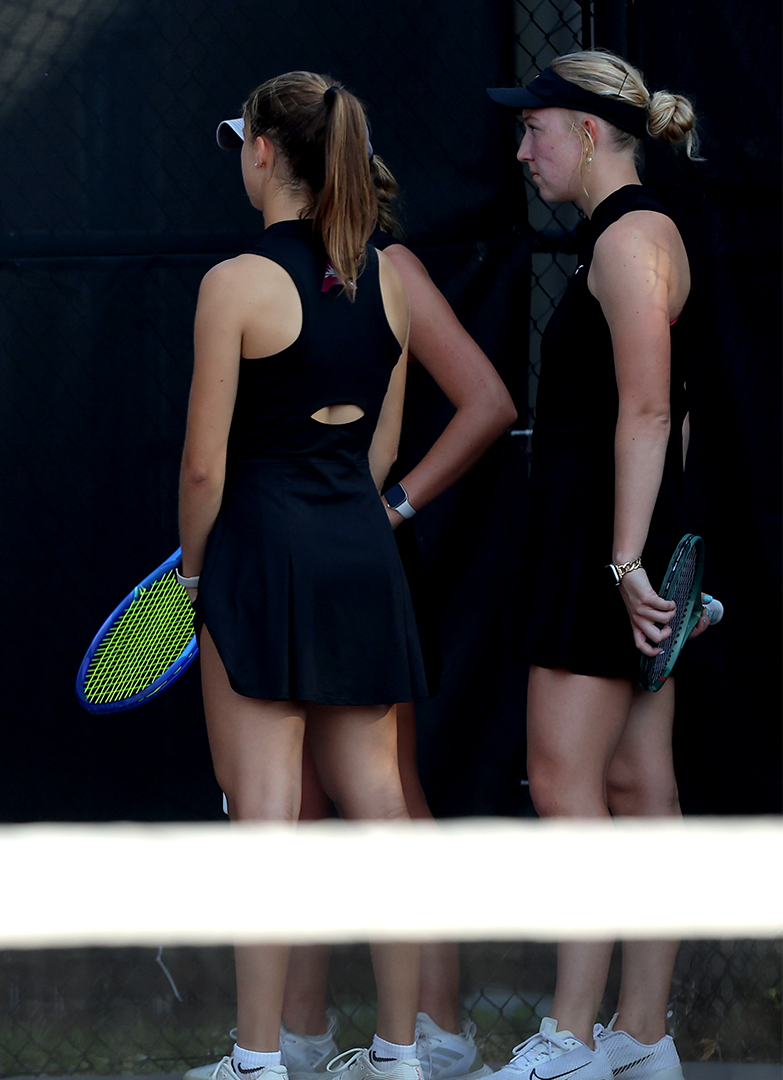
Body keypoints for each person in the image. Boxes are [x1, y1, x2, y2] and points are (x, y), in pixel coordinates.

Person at [196, 146, 518, 1080]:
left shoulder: (383, 272)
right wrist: (342, 513)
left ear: (287, 162)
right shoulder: (305, 280)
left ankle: (430, 1034)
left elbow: (480, 404)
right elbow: (358, 449)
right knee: (306, 800)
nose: (244, 169)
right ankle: (315, 1042)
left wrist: (385, 506)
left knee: (377, 798)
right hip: (330, 553)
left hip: (314, 555)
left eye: (251, 150)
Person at [179, 73, 423, 1080]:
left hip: (260, 558)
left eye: (244, 140)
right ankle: (402, 1056)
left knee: (266, 816)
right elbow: (379, 452)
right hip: (358, 556)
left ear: (267, 154)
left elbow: (203, 465)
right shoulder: (393, 279)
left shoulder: (234, 282)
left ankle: (259, 1059)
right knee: (380, 808)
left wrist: (197, 580)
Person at [483, 50, 702, 1080]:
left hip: (604, 545)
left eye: (537, 128)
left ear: (586, 130)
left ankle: (572, 1037)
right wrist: (657, 557)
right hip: (626, 538)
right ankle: (642, 1035)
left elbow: (653, 409)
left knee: (570, 779)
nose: (523, 149)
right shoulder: (634, 237)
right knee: (633, 779)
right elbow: (672, 421)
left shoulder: (626, 242)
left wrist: (623, 563)